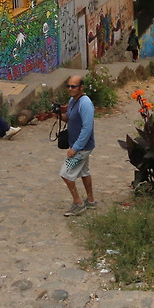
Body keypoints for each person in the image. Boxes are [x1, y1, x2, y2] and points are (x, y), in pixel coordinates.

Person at [59, 74, 96, 217]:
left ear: (81, 87)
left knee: (65, 173)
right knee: (84, 172)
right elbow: (69, 119)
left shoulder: (85, 104)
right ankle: (91, 200)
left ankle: (78, 203)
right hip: (80, 145)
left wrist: (75, 148)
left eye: (73, 86)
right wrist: (58, 114)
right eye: (68, 86)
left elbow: (87, 128)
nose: (70, 89)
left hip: (82, 147)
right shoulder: (73, 100)